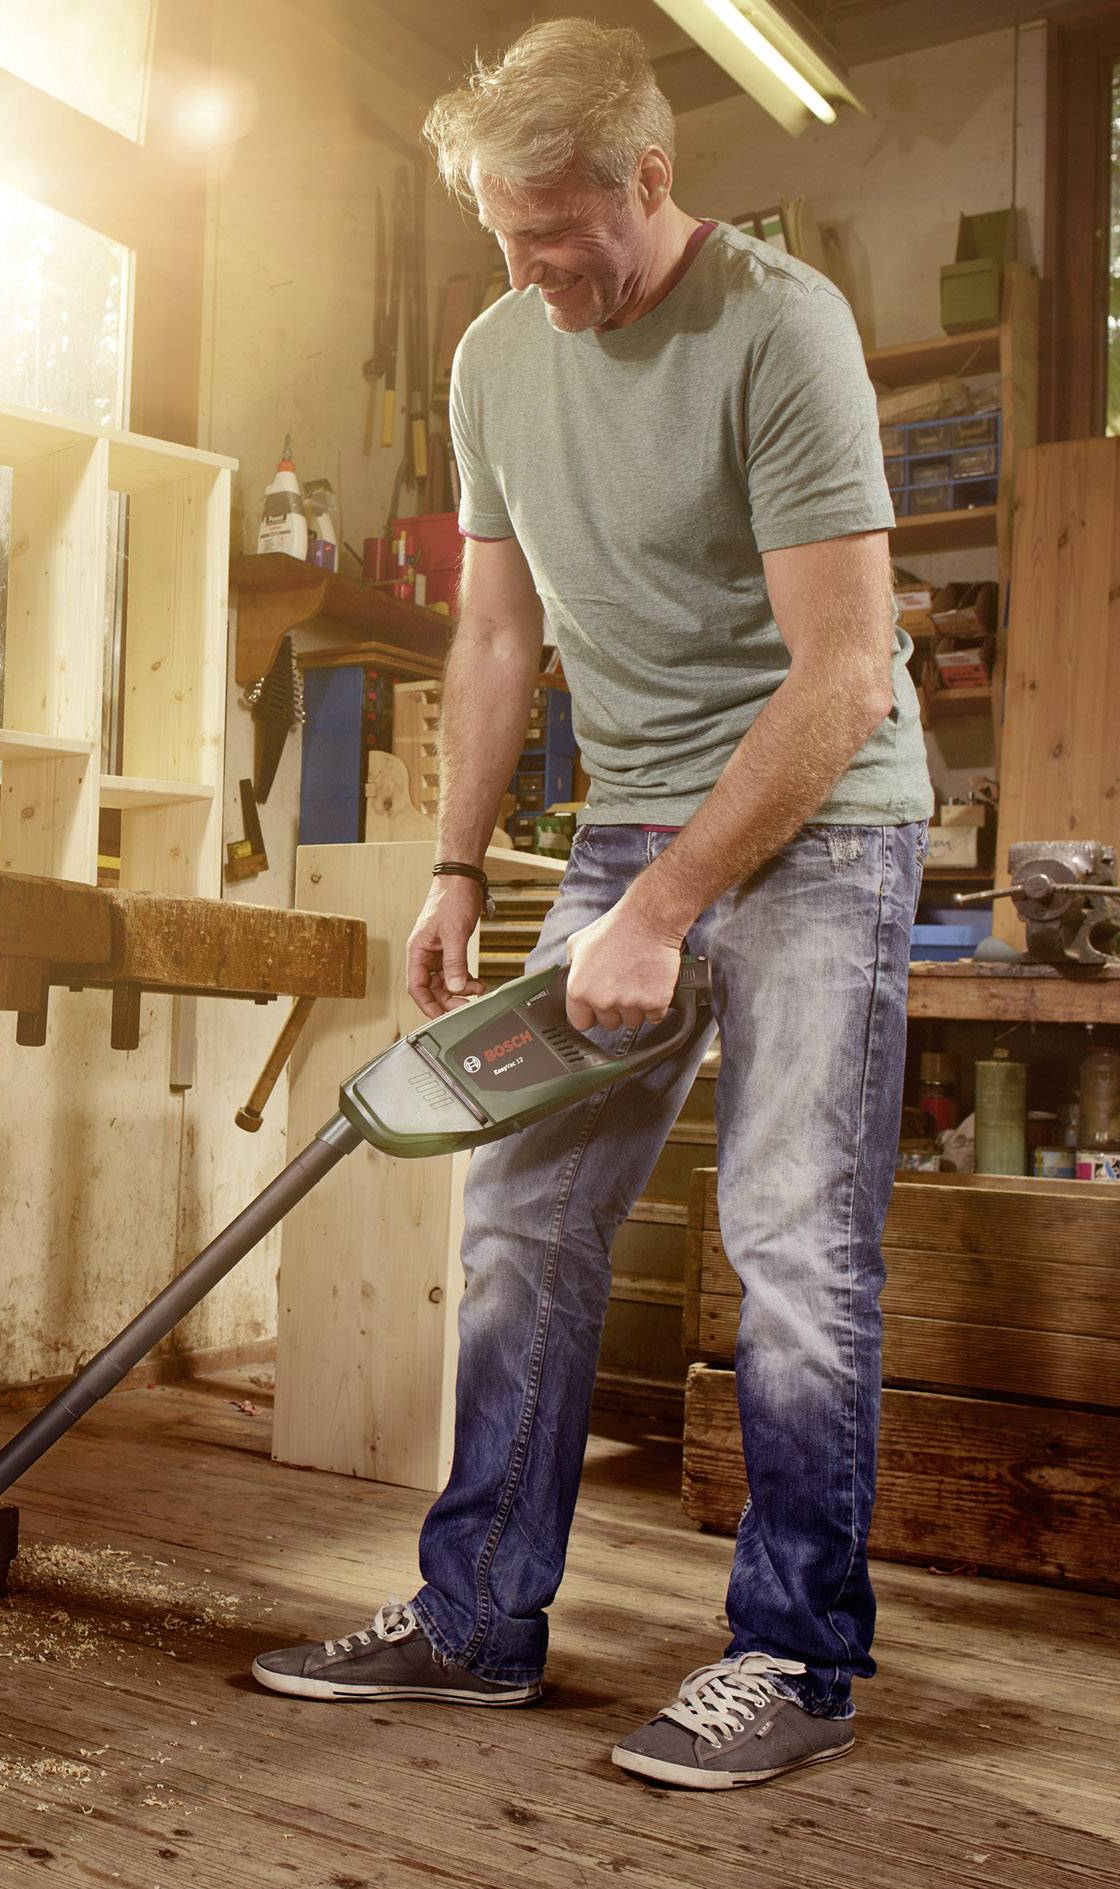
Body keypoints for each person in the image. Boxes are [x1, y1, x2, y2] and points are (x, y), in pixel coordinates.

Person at [250, 19, 928, 1790]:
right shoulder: (494, 355)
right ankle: (475, 1618)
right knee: (520, 1217)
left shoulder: (782, 328)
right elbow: (495, 633)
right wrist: (464, 861)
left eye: (562, 229)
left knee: (787, 1246)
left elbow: (846, 675)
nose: (536, 269)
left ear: (652, 178)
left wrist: (668, 904)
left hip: (821, 816)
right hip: (627, 824)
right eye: (503, 235)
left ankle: (796, 1651)